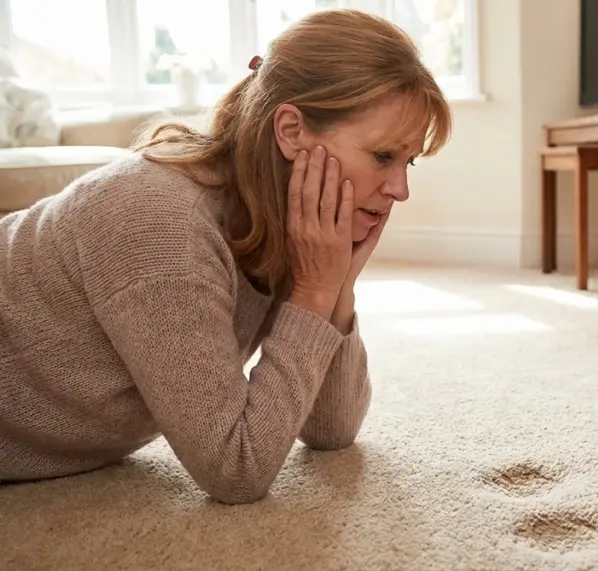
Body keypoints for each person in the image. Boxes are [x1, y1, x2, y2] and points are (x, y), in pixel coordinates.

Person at [0, 9, 452, 504]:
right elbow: (236, 469)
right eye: (383, 156)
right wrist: (315, 289)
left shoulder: (284, 217)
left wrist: (337, 283)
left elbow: (331, 429)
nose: (400, 189)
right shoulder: (162, 225)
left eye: (407, 162)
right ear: (291, 131)